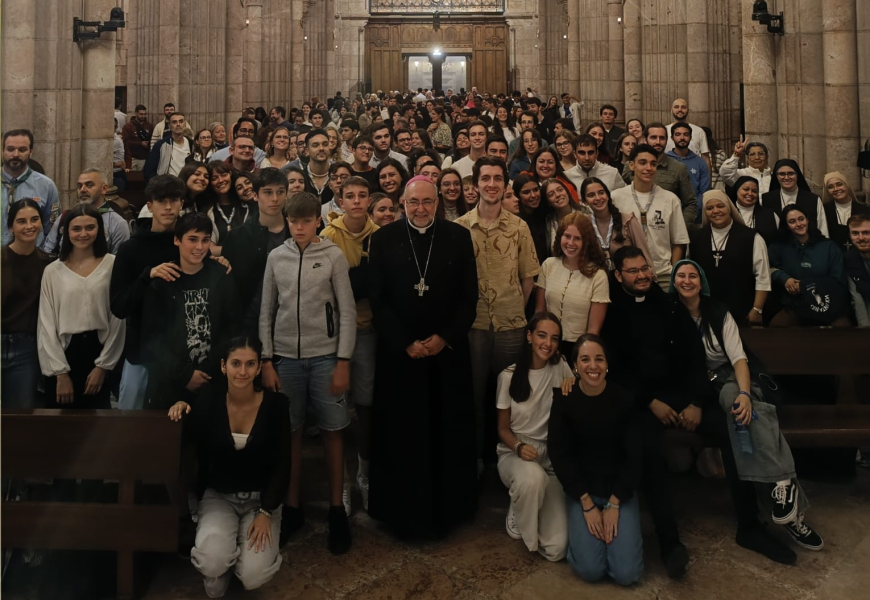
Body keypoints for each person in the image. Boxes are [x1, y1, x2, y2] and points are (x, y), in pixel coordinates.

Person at [601, 247, 800, 573]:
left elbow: (695, 357)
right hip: (643, 402)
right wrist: (650, 402)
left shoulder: (669, 305)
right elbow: (618, 370)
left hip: (683, 397)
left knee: (734, 431)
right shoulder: (613, 313)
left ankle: (750, 527)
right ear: (618, 275)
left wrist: (694, 402)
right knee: (649, 448)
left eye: (644, 269)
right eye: (632, 271)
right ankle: (670, 544)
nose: (641, 276)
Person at [670, 260, 824, 552]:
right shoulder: (672, 315)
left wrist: (744, 392)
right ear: (673, 282)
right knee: (744, 429)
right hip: (706, 384)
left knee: (739, 407)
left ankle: (783, 492)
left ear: (701, 282)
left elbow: (740, 358)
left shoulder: (717, 311)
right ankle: (789, 503)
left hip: (734, 374)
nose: (687, 280)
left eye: (693, 275)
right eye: (681, 275)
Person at [367, 176, 479, 537]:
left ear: (437, 203)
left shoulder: (458, 237)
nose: (420, 209)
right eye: (413, 202)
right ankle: (401, 514)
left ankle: (449, 510)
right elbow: (377, 299)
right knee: (403, 433)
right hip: (400, 356)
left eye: (427, 202)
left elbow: (468, 297)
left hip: (445, 355)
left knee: (446, 429)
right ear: (402, 202)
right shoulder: (383, 239)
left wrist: (444, 338)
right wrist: (405, 342)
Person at [258, 191, 355, 554]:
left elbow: (346, 311)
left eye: (306, 220)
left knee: (333, 433)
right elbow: (267, 311)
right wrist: (267, 359)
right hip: (285, 359)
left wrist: (343, 360)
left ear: (319, 220)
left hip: (326, 357)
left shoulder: (332, 256)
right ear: (286, 220)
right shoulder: (275, 257)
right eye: (293, 221)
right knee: (292, 435)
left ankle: (336, 510)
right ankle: (293, 507)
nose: (299, 227)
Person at [168, 336, 292, 598]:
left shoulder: (277, 406)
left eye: (250, 364)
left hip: (261, 500)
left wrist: (266, 511)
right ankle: (223, 561)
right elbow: (190, 435)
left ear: (259, 368)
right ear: (224, 366)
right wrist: (182, 405)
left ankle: (239, 558)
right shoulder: (209, 400)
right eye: (236, 363)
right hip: (219, 496)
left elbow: (283, 463)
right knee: (212, 565)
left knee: (253, 575)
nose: (243, 371)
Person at [457, 157, 541, 473]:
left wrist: (516, 307)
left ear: (505, 184)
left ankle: (512, 458)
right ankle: (477, 460)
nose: (491, 184)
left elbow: (528, 276)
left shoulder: (519, 227)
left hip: (511, 325)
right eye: (485, 178)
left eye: (497, 179)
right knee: (475, 396)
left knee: (511, 396)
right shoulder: (461, 228)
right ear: (475, 184)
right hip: (474, 325)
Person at [548, 334, 644, 586]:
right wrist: (587, 504)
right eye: (585, 359)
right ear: (576, 366)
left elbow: (635, 457)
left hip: (618, 493)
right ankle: (582, 546)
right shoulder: (564, 400)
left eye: (599, 359)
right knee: (591, 570)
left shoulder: (624, 400)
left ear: (607, 365)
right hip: (583, 493)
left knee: (627, 575)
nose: (593, 366)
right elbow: (559, 455)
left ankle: (612, 544)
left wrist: (613, 504)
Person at [320, 177, 379, 511]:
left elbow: (380, 286)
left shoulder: (381, 236)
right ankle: (340, 482)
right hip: (335, 334)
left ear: (368, 200)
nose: (356, 202)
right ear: (340, 201)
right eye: (349, 196)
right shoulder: (329, 236)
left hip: (368, 329)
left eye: (361, 196)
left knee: (367, 405)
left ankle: (364, 474)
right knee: (336, 408)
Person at [141, 213, 241, 408]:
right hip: (169, 383)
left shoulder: (221, 276)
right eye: (193, 239)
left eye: (205, 240)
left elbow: (232, 328)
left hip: (214, 378)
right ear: (177, 240)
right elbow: (151, 340)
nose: (199, 247)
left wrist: (209, 370)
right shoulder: (162, 282)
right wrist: (184, 375)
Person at [496, 312, 573, 561]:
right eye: (542, 335)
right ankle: (519, 505)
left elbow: (576, 387)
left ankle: (530, 503)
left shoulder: (560, 367)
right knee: (531, 479)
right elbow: (503, 429)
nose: (547, 343)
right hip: (515, 453)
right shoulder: (508, 376)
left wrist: (574, 383)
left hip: (549, 457)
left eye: (554, 338)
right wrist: (518, 447)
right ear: (529, 336)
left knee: (557, 548)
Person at [110, 175, 187, 409]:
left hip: (182, 351)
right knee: (130, 424)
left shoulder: (188, 243)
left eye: (174, 200)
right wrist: (147, 276)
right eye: (161, 200)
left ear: (182, 204)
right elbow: (119, 306)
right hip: (141, 351)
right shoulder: (130, 249)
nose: (167, 206)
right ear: (150, 205)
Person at [38, 204, 125, 408]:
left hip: (99, 350)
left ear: (100, 230)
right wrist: (60, 373)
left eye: (90, 227)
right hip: (65, 352)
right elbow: (46, 324)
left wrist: (103, 367)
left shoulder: (113, 265)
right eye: (76, 229)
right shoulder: (52, 271)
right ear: (66, 232)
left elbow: (117, 319)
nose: (83, 234)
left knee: (97, 428)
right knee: (61, 428)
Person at [612, 144, 690, 290]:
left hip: (663, 274)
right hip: (629, 275)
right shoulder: (616, 197)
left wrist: (673, 270)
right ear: (631, 165)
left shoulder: (670, 199)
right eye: (643, 163)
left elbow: (679, 240)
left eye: (653, 164)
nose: (649, 168)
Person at [221, 168, 290, 331]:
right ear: (255, 195)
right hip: (248, 322)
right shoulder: (237, 237)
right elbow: (227, 286)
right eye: (268, 192)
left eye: (280, 192)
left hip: (290, 322)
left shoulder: (298, 233)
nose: (275, 198)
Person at [689, 190, 771, 326]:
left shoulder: (751, 237)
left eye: (720, 206)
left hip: (742, 311)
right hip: (705, 311)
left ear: (729, 207)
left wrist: (757, 309)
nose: (715, 211)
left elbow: (762, 276)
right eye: (709, 208)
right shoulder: (695, 238)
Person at [535, 213, 610, 356]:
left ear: (586, 241)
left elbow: (593, 330)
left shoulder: (598, 275)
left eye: (577, 238)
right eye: (567, 236)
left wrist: (583, 355)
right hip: (547, 345)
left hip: (578, 348)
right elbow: (539, 312)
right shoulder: (548, 265)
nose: (570, 243)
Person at [2, 199, 52, 408]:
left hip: (26, 348)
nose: (29, 226)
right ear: (11, 226)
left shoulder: (47, 264)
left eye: (34, 219)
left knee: (21, 415)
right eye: (21, 221)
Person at [768, 206, 849, 327]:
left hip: (827, 303)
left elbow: (838, 279)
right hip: (796, 304)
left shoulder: (828, 246)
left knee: (843, 327)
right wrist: (784, 278)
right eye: (792, 221)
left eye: (801, 219)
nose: (798, 224)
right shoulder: (779, 247)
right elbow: (768, 268)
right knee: (777, 326)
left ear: (807, 220)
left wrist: (806, 286)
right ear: (786, 226)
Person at [622, 123, 698, 228]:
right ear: (645, 139)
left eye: (662, 138)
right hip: (635, 227)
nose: (658, 142)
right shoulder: (631, 166)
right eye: (653, 137)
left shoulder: (678, 168)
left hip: (666, 228)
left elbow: (691, 203)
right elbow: (623, 197)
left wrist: (679, 228)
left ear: (667, 140)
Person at [42, 168, 130, 255]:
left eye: (89, 185)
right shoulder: (64, 217)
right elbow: (48, 252)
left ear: (104, 189)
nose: (82, 190)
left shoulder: (117, 223)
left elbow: (120, 262)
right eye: (79, 186)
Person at [581, 177, 653, 273]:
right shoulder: (584, 224)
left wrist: (651, 279)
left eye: (601, 192)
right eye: (591, 195)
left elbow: (644, 255)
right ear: (584, 201)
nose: (598, 198)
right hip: (596, 280)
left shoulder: (628, 221)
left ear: (607, 195)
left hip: (627, 282)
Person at [2, 129, 60, 246]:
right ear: (2, 151)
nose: (16, 154)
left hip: (32, 256)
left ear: (30, 152)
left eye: (22, 149)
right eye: (10, 149)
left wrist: (42, 256)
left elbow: (52, 229)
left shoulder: (46, 186)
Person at [761, 159, 829, 237]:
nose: (786, 177)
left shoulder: (813, 199)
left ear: (797, 175)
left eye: (791, 173)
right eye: (782, 174)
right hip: (779, 246)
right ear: (776, 176)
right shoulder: (767, 199)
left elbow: (823, 229)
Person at [666, 122, 711, 222]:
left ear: (690, 137)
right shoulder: (665, 160)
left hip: (694, 216)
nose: (682, 138)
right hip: (668, 213)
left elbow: (704, 191)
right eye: (678, 134)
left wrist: (692, 211)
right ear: (672, 138)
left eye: (686, 134)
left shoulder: (700, 163)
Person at [822, 171, 870, 254]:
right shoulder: (824, 210)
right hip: (834, 256)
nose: (836, 189)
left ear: (846, 185)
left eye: (839, 184)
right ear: (827, 191)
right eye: (830, 187)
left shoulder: (864, 210)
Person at [729, 175, 780, 246]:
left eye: (754, 191)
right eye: (746, 189)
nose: (750, 194)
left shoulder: (770, 215)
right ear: (737, 191)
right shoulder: (728, 213)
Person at [665, 98, 711, 172]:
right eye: (676, 107)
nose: (680, 110)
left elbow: (705, 158)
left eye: (683, 107)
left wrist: (708, 182)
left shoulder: (699, 131)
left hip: (694, 173)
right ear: (671, 110)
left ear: (688, 110)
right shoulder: (664, 131)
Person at [846, 214, 870, 326]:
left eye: (866, 232)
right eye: (855, 233)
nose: (860, 238)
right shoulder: (849, 259)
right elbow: (857, 298)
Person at [122, 105, 154, 171]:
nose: (143, 116)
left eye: (145, 114)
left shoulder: (149, 126)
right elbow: (126, 142)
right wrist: (140, 143)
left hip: (144, 157)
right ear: (136, 113)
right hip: (132, 157)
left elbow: (153, 139)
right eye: (141, 114)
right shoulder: (128, 126)